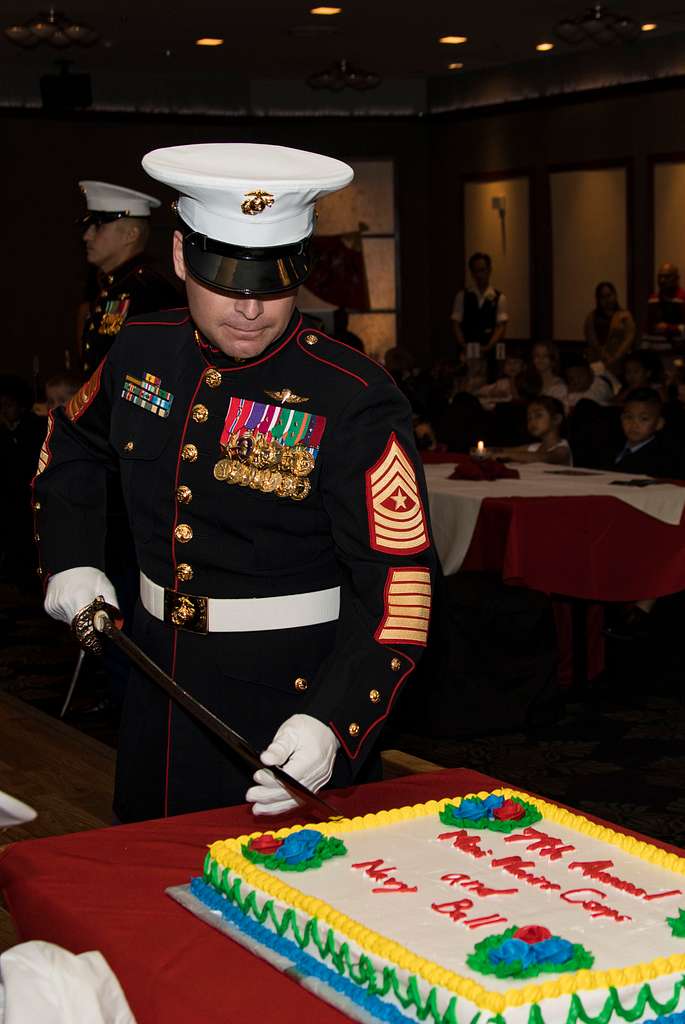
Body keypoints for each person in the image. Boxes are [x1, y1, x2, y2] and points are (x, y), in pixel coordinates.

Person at [34, 143, 436, 824]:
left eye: (272, 283)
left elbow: (401, 585)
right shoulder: (142, 349)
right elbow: (71, 440)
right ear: (183, 260)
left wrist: (333, 724)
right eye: (226, 278)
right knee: (145, 877)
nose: (249, 308)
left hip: (290, 693)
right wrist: (72, 557)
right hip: (154, 672)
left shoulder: (352, 396)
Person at [79, 181, 181, 374]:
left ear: (131, 235)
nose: (87, 236)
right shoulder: (112, 286)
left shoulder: (148, 291)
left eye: (99, 226)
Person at [451, 252, 508, 381]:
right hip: (468, 348)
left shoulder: (499, 297)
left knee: (491, 379)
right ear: (471, 273)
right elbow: (456, 323)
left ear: (489, 270)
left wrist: (488, 347)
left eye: (482, 270)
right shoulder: (462, 295)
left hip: (491, 350)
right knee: (468, 379)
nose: (479, 275)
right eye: (475, 271)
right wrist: (463, 345)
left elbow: (501, 326)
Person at [603, 387, 681, 478]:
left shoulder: (662, 458)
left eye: (644, 419)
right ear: (621, 418)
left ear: (659, 423)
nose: (634, 425)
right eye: (628, 417)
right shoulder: (609, 444)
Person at [493, 395, 571, 465]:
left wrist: (507, 455)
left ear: (556, 419)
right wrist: (487, 451)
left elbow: (544, 458)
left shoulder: (563, 449)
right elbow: (505, 450)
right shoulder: (534, 447)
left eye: (538, 415)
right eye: (529, 418)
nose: (532, 422)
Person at [583, 281, 636, 369]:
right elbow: (591, 339)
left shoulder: (625, 316)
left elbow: (629, 338)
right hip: (598, 361)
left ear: (615, 295)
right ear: (598, 299)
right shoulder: (592, 317)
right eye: (602, 297)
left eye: (609, 295)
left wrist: (616, 357)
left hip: (620, 361)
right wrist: (603, 354)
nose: (607, 300)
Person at [646, 262, 685, 341]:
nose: (662, 280)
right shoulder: (653, 298)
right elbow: (648, 326)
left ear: (676, 278)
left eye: (667, 276)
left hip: (678, 349)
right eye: (660, 276)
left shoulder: (683, 299)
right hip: (655, 348)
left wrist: (669, 328)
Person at [531, 342, 568, 408]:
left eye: (545, 356)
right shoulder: (529, 381)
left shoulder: (559, 386)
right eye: (537, 355)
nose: (540, 359)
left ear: (553, 360)